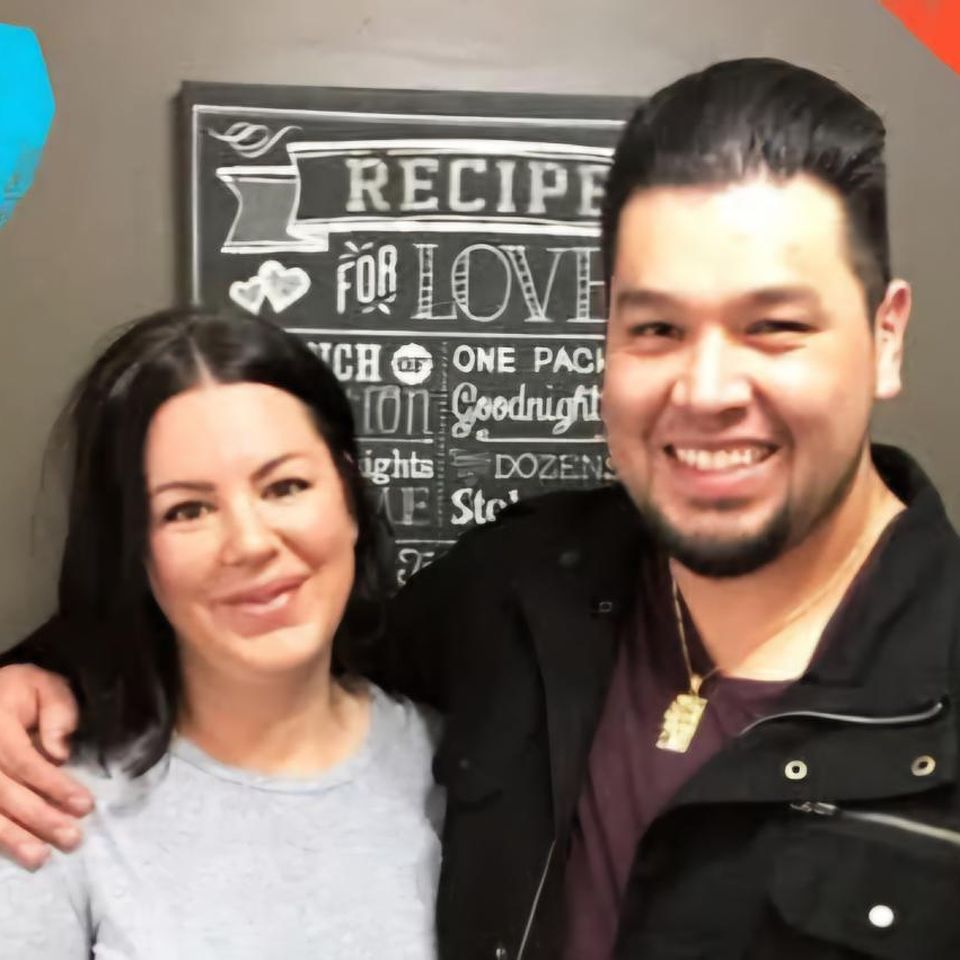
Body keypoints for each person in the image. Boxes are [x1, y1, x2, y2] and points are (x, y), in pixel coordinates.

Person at [2, 56, 960, 959]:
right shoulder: (525, 587)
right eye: (657, 327)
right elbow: (270, 630)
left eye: (775, 326)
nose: (707, 389)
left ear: (885, 336)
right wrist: (30, 680)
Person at [0, 308, 443, 958]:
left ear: (350, 496)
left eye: (285, 486)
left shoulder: (470, 772)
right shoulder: (40, 800)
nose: (250, 543)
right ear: (136, 552)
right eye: (188, 510)